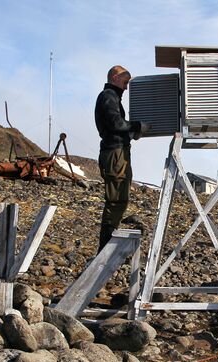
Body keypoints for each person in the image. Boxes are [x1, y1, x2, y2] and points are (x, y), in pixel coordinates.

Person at [94, 65, 149, 253]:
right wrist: (137, 125)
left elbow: (114, 126)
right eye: (125, 82)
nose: (126, 87)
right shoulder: (108, 96)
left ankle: (107, 247)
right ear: (115, 78)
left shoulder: (112, 97)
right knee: (116, 200)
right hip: (115, 154)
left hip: (118, 152)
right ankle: (105, 250)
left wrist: (131, 133)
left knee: (119, 199)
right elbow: (116, 123)